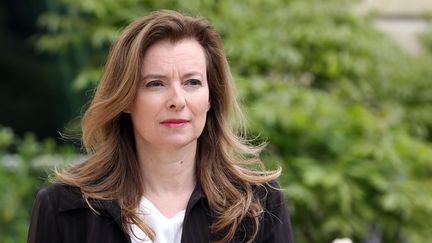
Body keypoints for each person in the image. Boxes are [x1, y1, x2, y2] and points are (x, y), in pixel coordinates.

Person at [28, 10, 295, 243]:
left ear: (211, 97)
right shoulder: (64, 208)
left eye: (192, 82)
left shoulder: (258, 204)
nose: (177, 101)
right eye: (155, 83)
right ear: (126, 98)